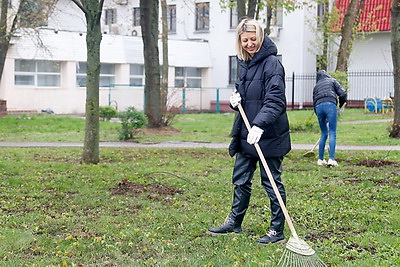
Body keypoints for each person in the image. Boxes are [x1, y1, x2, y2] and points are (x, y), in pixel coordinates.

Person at [206, 18, 291, 244]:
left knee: (271, 182)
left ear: (261, 37)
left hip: (268, 134)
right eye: (245, 40)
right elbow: (245, 94)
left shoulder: (272, 63)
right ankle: (234, 222)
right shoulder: (244, 62)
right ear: (239, 41)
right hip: (246, 133)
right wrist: (236, 100)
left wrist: (260, 125)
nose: (250, 44)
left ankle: (277, 230)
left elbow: (275, 100)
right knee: (240, 180)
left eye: (253, 39)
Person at [312, 70, 347, 167]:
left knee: (324, 133)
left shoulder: (316, 86)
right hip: (330, 105)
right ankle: (331, 159)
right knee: (332, 132)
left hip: (319, 107)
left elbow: (314, 101)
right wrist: (340, 106)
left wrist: (319, 114)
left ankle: (320, 159)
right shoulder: (332, 81)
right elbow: (343, 93)